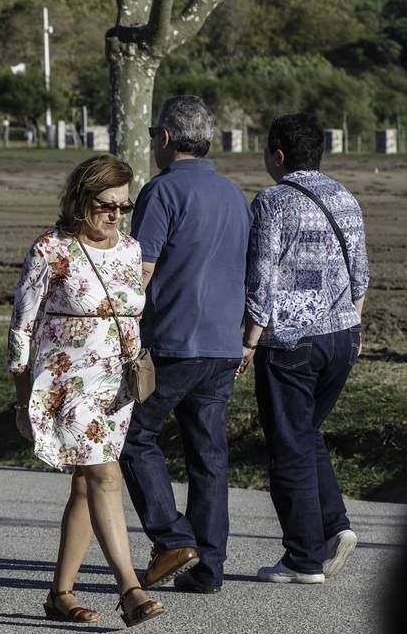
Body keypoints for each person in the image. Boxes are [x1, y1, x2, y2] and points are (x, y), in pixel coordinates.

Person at [7, 154, 164, 628]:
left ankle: (60, 593)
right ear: (81, 200)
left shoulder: (131, 250)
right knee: (106, 477)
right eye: (105, 205)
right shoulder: (52, 249)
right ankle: (130, 587)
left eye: (123, 205)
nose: (115, 215)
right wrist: (20, 397)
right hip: (66, 384)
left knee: (86, 482)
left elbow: (132, 315)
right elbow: (21, 327)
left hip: (115, 388)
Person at [119, 96, 250, 595]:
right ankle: (208, 566)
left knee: (134, 437)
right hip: (223, 344)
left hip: (174, 341)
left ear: (166, 139)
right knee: (208, 455)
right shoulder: (234, 195)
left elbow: (142, 268)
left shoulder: (162, 191)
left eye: (155, 133)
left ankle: (172, 537)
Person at [239, 113, 368, 584]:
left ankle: (301, 559)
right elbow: (361, 275)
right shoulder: (345, 196)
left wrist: (250, 340)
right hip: (342, 335)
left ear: (277, 154)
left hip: (291, 340)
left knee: (288, 445)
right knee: (307, 430)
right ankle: (334, 526)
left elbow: (261, 279)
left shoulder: (272, 202)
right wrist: (351, 324)